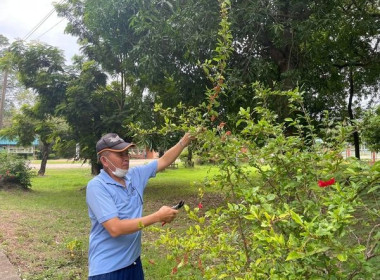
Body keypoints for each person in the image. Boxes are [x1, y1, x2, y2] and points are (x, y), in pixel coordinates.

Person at [86, 132, 193, 279]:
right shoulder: (97, 187)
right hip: (108, 270)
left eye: (126, 153)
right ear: (104, 161)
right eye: (120, 155)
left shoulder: (135, 175)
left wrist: (184, 142)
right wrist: (157, 216)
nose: (126, 158)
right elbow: (115, 228)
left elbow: (163, 161)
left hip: (133, 262)